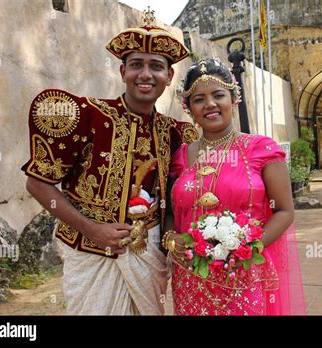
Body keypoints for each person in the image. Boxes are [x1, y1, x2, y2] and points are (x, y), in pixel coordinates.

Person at [21, 13, 198, 315]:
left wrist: (169, 236)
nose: (146, 74)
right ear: (122, 71)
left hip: (148, 255)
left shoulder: (176, 133)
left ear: (169, 77)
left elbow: (172, 195)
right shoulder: (88, 116)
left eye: (156, 66)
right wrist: (91, 229)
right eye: (136, 65)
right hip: (91, 256)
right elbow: (37, 183)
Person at [162, 58, 306, 315]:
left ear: (233, 99)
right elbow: (171, 214)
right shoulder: (180, 157)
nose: (210, 105)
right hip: (190, 277)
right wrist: (171, 237)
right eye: (198, 99)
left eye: (219, 95)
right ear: (188, 108)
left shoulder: (261, 149)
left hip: (243, 274)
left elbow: (285, 211)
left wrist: (247, 250)